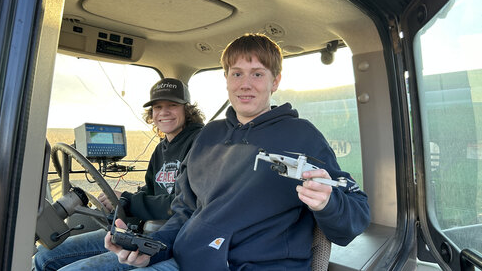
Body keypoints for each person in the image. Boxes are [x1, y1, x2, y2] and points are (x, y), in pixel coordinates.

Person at [105, 33, 371, 270]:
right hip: (187, 259)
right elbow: (184, 212)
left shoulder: (302, 136)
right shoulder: (207, 136)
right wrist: (150, 250)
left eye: (257, 73)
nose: (246, 84)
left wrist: (328, 202)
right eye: (237, 73)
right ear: (226, 79)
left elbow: (356, 216)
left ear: (275, 81)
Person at [34, 78, 205, 271]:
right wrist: (120, 204)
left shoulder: (201, 143)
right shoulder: (161, 149)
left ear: (187, 110)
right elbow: (148, 191)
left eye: (172, 105)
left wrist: (129, 201)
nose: (163, 112)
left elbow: (186, 203)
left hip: (166, 238)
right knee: (44, 257)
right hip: (139, 230)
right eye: (157, 107)